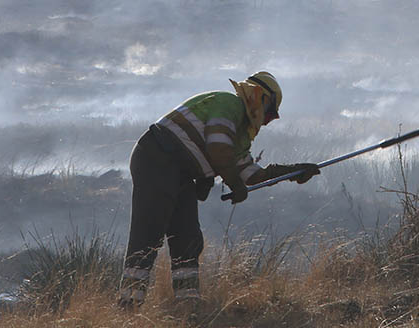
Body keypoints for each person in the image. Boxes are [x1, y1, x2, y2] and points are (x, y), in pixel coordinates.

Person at [118, 71, 319, 308]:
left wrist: (292, 172)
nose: (270, 119)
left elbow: (251, 174)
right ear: (259, 97)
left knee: (188, 238)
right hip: (158, 158)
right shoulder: (229, 104)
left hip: (179, 172)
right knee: (149, 233)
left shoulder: (241, 133)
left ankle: (187, 307)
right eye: (271, 111)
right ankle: (128, 305)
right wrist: (235, 184)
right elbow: (219, 150)